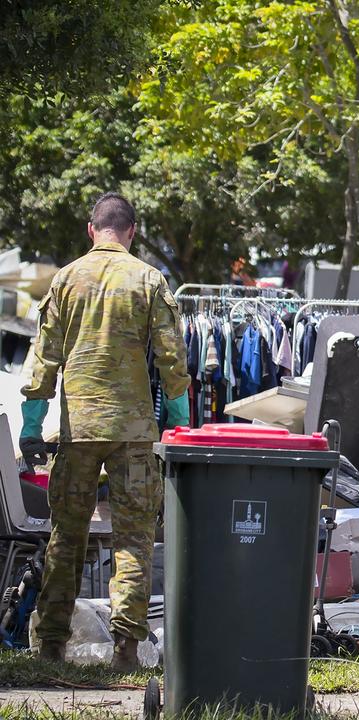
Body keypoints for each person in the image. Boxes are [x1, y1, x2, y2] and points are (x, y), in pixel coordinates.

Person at [20, 192, 190, 670]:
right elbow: (173, 362)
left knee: (66, 537)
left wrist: (31, 427)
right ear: (132, 232)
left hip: (78, 430)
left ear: (91, 229)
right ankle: (126, 648)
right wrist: (177, 427)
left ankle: (51, 646)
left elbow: (42, 361)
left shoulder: (65, 279)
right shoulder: (149, 279)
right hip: (134, 432)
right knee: (134, 539)